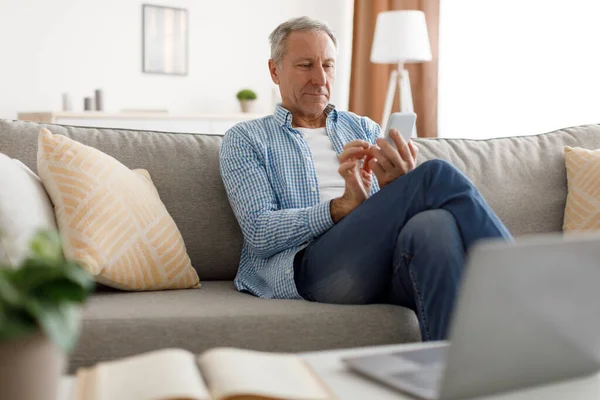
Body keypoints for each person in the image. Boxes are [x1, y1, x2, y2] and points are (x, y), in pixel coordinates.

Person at [219, 16, 512, 341]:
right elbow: (259, 232)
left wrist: (395, 188)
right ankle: (524, 288)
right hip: (313, 269)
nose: (320, 78)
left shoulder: (364, 128)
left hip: (380, 262)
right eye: (305, 65)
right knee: (435, 175)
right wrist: (339, 208)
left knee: (434, 226)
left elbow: (384, 218)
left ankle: (450, 375)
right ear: (275, 70)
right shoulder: (246, 139)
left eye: (328, 65)